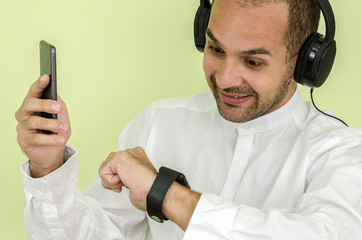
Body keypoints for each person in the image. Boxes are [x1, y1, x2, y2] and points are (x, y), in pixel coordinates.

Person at [16, 0, 362, 239]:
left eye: (253, 62)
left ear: (305, 64)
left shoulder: (342, 153)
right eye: (216, 49)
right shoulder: (160, 122)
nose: (225, 78)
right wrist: (48, 170)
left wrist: (164, 194)